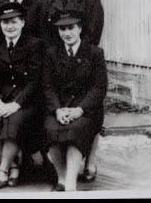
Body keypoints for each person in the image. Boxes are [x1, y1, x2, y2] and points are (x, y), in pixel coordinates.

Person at [40, 0, 105, 182]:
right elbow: (45, 36)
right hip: (56, 66)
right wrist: (56, 58)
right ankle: (61, 167)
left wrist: (74, 58)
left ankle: (91, 160)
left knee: (90, 111)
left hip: (82, 67)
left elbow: (92, 35)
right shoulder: (48, 2)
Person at [42, 10, 107, 192]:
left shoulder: (95, 53)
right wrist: (57, 110)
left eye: (71, 28)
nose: (67, 33)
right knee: (50, 132)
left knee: (74, 134)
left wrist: (80, 109)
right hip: (59, 108)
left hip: (86, 109)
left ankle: (70, 186)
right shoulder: (51, 53)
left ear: (80, 28)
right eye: (62, 29)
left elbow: (99, 88)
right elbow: (47, 87)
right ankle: (61, 177)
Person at [0, 2, 43, 189]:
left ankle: (2, 168)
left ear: (23, 23)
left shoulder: (34, 44)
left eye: (13, 22)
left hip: (25, 100)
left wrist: (16, 104)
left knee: (14, 123)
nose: (9, 26)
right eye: (5, 22)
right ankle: (14, 164)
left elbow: (34, 81)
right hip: (1, 97)